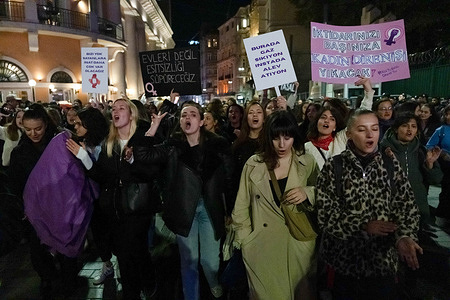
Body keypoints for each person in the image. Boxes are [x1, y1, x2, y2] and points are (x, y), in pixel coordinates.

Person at [316, 109, 422, 300]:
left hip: (383, 264)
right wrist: (363, 225)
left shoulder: (390, 164)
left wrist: (404, 237)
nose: (370, 134)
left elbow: (406, 206)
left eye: (374, 128)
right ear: (349, 134)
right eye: (362, 129)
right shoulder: (335, 166)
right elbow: (325, 214)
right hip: (345, 266)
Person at [142, 102, 233, 299]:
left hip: (209, 209)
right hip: (184, 210)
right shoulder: (172, 146)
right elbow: (145, 154)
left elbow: (228, 179)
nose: (188, 118)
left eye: (193, 114)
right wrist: (154, 126)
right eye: (184, 115)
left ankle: (213, 281)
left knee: (210, 261)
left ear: (201, 121)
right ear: (180, 121)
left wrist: (230, 210)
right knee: (189, 261)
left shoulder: (218, 145)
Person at [232, 110, 319, 300]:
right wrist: (246, 240)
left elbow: (323, 193)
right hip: (261, 246)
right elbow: (241, 204)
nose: (281, 144)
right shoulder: (253, 164)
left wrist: (307, 192)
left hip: (298, 242)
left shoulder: (307, 161)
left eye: (287, 137)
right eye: (276, 138)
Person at [82, 99, 158, 299]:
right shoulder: (109, 143)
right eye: (113, 109)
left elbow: (152, 172)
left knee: (133, 251)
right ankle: (136, 290)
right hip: (115, 209)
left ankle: (146, 283)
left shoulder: (143, 138)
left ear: (131, 114)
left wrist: (133, 161)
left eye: (121, 108)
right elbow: (101, 175)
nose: (115, 111)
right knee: (127, 254)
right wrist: (83, 157)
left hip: (137, 208)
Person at [8, 105, 59, 298]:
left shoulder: (58, 146)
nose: (33, 133)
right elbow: (15, 184)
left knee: (63, 242)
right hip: (34, 208)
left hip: (59, 205)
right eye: (27, 129)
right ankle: (46, 277)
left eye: (37, 128)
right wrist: (23, 207)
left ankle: (68, 276)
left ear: (45, 125)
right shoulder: (19, 153)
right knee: (38, 248)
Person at [65, 107, 113, 285]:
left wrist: (84, 157)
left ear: (90, 125)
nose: (75, 127)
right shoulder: (83, 142)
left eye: (79, 124)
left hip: (109, 198)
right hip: (93, 200)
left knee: (115, 236)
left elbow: (103, 175)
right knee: (100, 236)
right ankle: (107, 264)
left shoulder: (107, 143)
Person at [381, 113, 442, 228]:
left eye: (413, 126)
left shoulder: (421, 151)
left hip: (418, 208)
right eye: (405, 126)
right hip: (391, 209)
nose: (409, 130)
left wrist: (430, 163)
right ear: (395, 129)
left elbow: (436, 180)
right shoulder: (382, 150)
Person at [305, 77, 374, 169]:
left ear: (335, 126)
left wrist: (368, 91)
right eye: (323, 117)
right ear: (317, 122)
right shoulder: (307, 147)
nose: (327, 121)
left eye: (332, 119)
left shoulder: (340, 139)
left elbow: (360, 118)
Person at [426, 104, 450, 223]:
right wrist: (442, 153)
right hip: (446, 165)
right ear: (445, 115)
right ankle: (443, 216)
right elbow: (429, 145)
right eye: (449, 113)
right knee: (447, 190)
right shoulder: (441, 130)